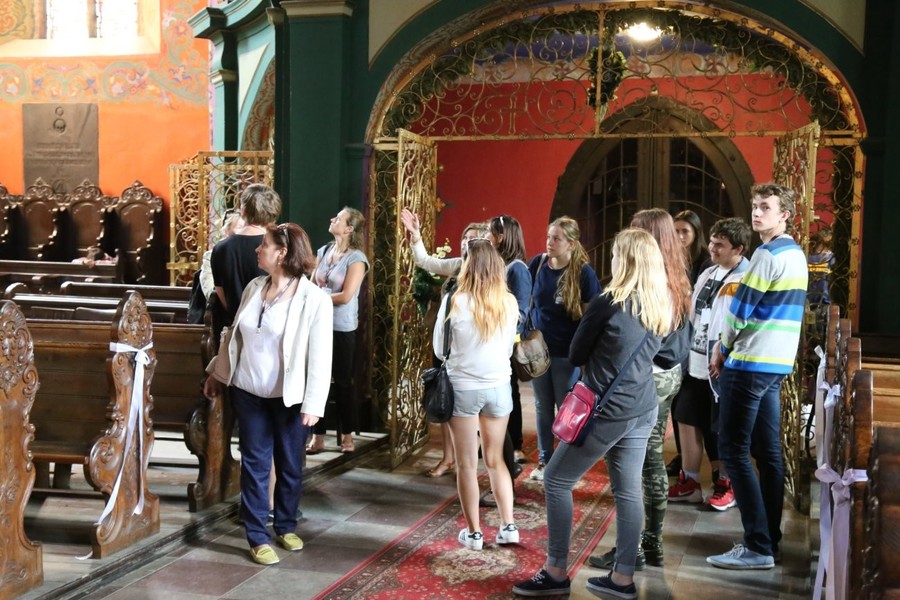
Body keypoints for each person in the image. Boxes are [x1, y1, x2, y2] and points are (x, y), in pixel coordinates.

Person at [513, 228, 671, 598]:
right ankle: (622, 579)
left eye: (615, 253)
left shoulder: (609, 302)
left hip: (606, 407)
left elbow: (577, 352)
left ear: (624, 260)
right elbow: (667, 355)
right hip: (642, 405)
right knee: (628, 491)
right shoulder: (661, 303)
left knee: (556, 479)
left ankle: (555, 571)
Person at [203, 223, 333, 566]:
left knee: (289, 465)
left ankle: (286, 525)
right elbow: (234, 334)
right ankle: (257, 535)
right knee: (255, 463)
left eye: (264, 245)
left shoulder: (314, 299)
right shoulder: (254, 287)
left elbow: (321, 356)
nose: (257, 249)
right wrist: (217, 373)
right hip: (248, 390)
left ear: (283, 253)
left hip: (289, 397)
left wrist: (314, 404)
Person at [706, 183, 808, 569]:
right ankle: (769, 539)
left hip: (749, 362)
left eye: (766, 207)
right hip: (776, 363)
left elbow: (740, 310)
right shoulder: (795, 253)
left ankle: (757, 545)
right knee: (768, 453)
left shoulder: (767, 254)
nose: (757, 212)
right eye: (755, 206)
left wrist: (722, 347)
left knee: (732, 450)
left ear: (785, 214)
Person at [589, 208, 690, 570]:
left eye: (635, 230)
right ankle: (651, 543)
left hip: (645, 377)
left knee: (629, 465)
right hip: (668, 374)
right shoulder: (677, 274)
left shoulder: (650, 278)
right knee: (651, 461)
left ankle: (631, 549)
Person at [433, 239, 519, 551]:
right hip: (499, 388)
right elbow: (508, 349)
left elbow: (438, 348)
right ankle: (508, 526)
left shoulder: (454, 300)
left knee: (467, 464)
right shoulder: (508, 302)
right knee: (496, 460)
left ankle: (474, 534)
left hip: (464, 389)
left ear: (467, 265)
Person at [669, 218, 751, 511]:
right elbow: (695, 314)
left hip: (724, 363)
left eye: (720, 245)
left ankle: (727, 484)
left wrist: (726, 352)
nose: (713, 249)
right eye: (713, 242)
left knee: (722, 426)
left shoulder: (746, 278)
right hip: (696, 360)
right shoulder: (709, 272)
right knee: (686, 416)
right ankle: (690, 482)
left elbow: (741, 322)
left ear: (738, 249)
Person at [400, 207, 488, 477]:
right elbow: (426, 261)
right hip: (445, 348)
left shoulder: (487, 274)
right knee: (444, 403)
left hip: (468, 354)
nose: (465, 243)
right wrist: (416, 235)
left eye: (472, 240)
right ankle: (448, 458)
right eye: (464, 238)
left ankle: (469, 464)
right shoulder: (457, 265)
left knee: (468, 411)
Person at [527, 216, 601, 481]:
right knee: (542, 406)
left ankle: (568, 463)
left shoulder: (582, 272)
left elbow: (591, 318)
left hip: (566, 354)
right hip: (538, 352)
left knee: (567, 409)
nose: (550, 242)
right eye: (549, 237)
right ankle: (545, 460)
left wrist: (585, 355)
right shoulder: (537, 264)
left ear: (570, 243)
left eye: (556, 238)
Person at [307, 207, 370, 454]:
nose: (332, 219)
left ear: (349, 229)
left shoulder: (356, 259)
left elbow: (345, 296)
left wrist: (319, 297)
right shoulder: (324, 251)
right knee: (317, 379)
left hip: (342, 327)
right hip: (318, 324)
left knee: (343, 382)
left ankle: (347, 435)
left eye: (339, 219)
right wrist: (316, 296)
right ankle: (318, 435)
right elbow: (311, 285)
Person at [487, 215, 531, 469]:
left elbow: (521, 311)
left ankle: (515, 444)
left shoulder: (517, 269)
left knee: (509, 393)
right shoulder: (498, 264)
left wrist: (501, 333)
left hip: (507, 342)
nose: (487, 237)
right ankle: (497, 442)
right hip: (494, 340)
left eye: (490, 232)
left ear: (501, 237)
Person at [210, 184, 282, 340]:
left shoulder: (221, 248)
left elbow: (221, 293)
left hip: (235, 328)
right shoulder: (279, 247)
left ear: (243, 211)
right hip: (271, 330)